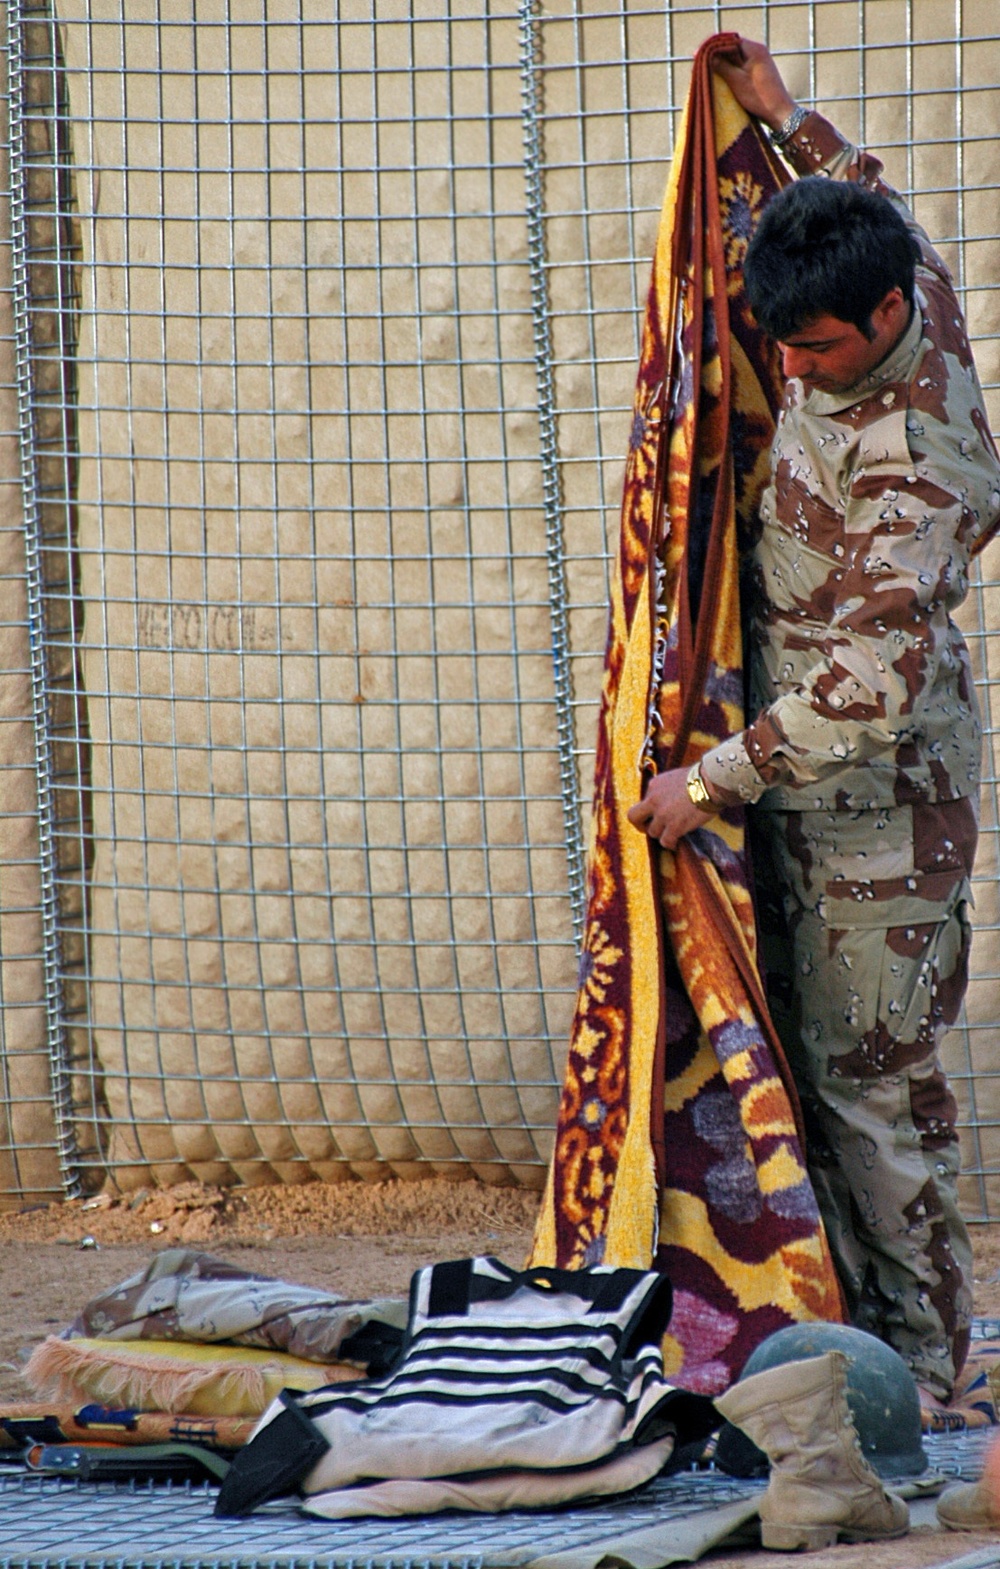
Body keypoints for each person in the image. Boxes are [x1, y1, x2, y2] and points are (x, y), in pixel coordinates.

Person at [627, 38, 1000, 1407]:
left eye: (819, 349)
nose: (794, 364)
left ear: (890, 316)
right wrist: (790, 124)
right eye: (785, 341)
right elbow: (865, 196)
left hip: (878, 807)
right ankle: (870, 1323)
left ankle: (924, 1369)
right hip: (810, 777)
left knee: (870, 1094)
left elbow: (870, 683)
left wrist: (710, 778)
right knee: (831, 1066)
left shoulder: (914, 469)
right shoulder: (888, 287)